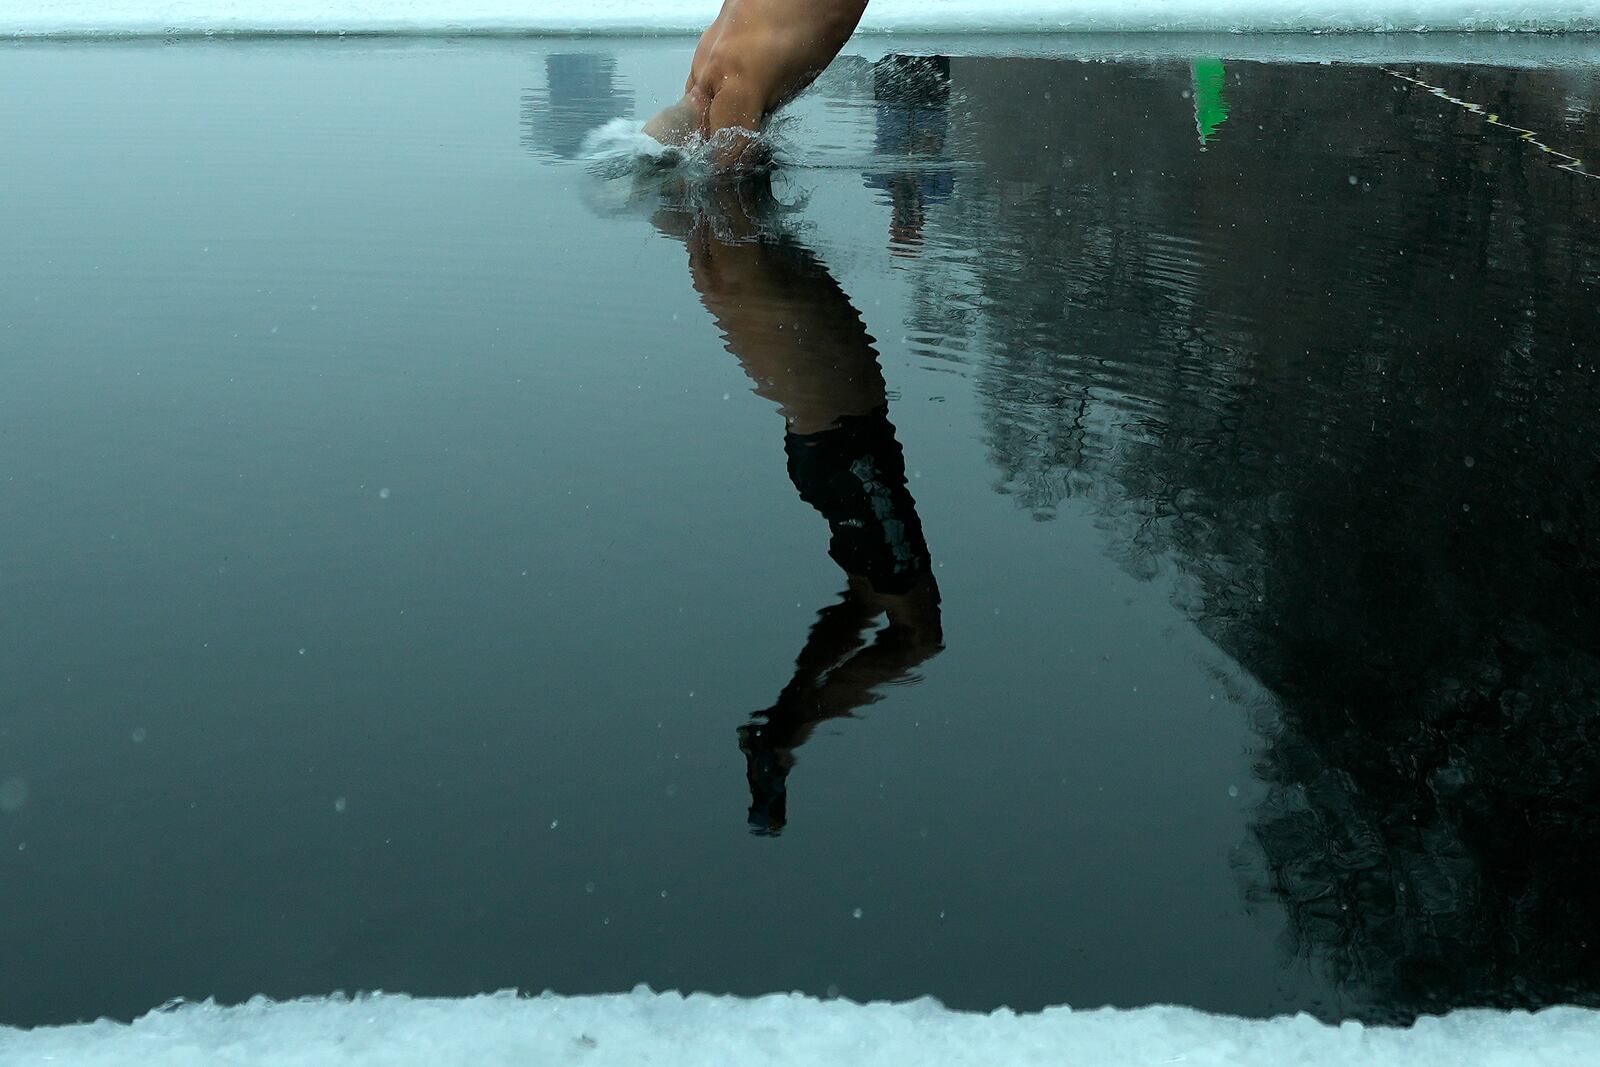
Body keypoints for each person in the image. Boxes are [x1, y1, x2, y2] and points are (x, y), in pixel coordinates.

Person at [651, 176, 943, 834]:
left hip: (832, 450)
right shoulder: (738, 266)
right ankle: (787, 731)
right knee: (917, 634)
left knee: (873, 596)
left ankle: (782, 729)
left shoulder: (734, 269)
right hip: (845, 451)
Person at [642, 0, 870, 167]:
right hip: (743, 71)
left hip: (714, 52)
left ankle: (633, 175)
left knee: (670, 156)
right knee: (726, 197)